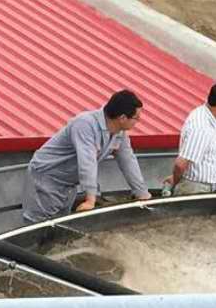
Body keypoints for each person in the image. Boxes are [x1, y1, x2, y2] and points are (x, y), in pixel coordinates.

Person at [21, 90, 152, 223]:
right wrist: (90, 199)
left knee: (60, 227)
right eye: (137, 118)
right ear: (123, 118)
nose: (138, 122)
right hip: (46, 178)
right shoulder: (85, 124)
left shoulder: (119, 133)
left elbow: (128, 161)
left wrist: (142, 194)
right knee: (38, 227)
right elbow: (87, 162)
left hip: (68, 184)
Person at [164, 80, 216, 196]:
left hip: (202, 186)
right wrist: (175, 180)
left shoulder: (212, 117)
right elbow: (181, 163)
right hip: (195, 188)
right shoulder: (201, 126)